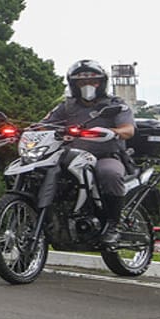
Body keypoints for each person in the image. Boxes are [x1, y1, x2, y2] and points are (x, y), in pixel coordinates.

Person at [43, 60, 135, 244]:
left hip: (105, 157)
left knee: (109, 174)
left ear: (101, 83)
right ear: (74, 84)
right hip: (70, 157)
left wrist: (113, 132)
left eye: (93, 81)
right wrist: (18, 130)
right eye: (82, 82)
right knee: (40, 170)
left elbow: (128, 130)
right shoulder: (67, 107)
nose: (88, 85)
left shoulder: (115, 104)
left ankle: (113, 225)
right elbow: (44, 124)